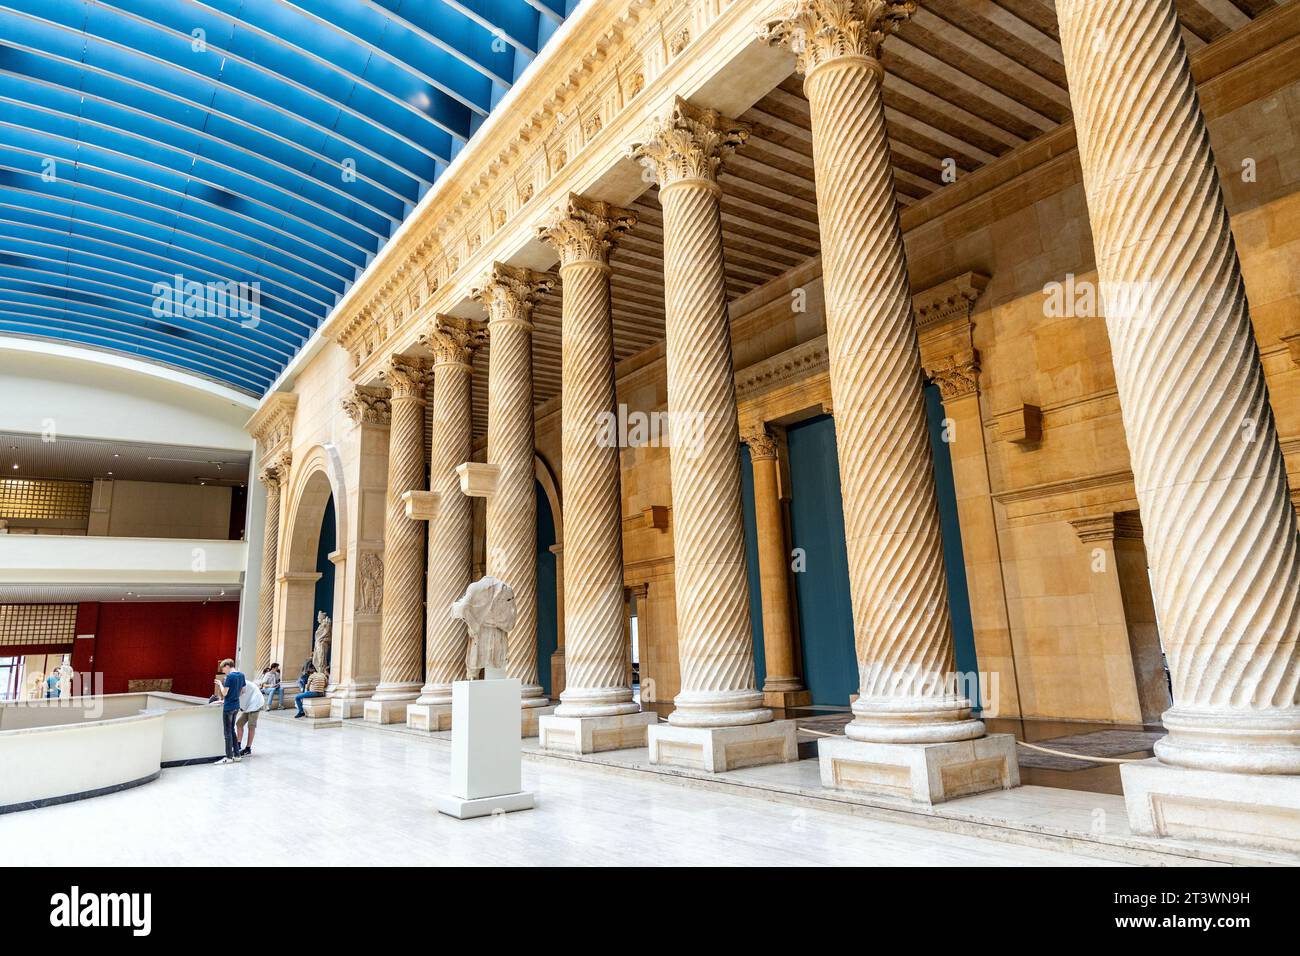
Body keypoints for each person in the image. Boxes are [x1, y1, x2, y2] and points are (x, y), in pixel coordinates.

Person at [215, 659, 246, 764]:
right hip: (236, 706)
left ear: (227, 666)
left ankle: (228, 757)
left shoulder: (230, 677)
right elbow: (243, 691)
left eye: (223, 669)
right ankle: (237, 755)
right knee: (232, 730)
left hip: (228, 707)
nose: (224, 671)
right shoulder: (241, 675)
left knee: (227, 732)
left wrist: (220, 684)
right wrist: (235, 696)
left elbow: (224, 693)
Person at [235, 677, 265, 757]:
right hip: (249, 705)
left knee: (251, 726)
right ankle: (238, 744)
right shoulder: (238, 681)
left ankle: (248, 749)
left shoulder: (240, 682)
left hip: (256, 704)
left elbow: (240, 693)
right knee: (239, 723)